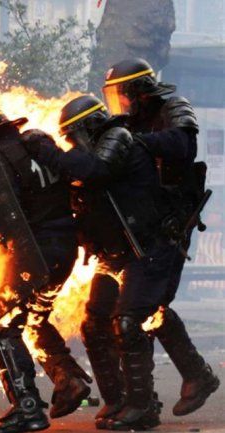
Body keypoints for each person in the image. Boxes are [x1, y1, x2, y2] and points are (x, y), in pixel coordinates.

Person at [25, 95, 175, 430]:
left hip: (143, 249)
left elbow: (95, 172)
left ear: (89, 125)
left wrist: (47, 152)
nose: (72, 144)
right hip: (114, 254)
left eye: (73, 136)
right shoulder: (93, 151)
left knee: (127, 323)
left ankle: (142, 407)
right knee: (93, 324)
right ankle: (118, 400)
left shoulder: (117, 138)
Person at [102, 58, 220, 416]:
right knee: (148, 308)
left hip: (170, 225)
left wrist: (138, 142)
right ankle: (197, 374)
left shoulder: (174, 108)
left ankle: (150, 400)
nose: (120, 103)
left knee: (138, 312)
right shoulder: (129, 124)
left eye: (123, 95)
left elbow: (182, 146)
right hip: (142, 227)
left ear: (139, 91)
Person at [0, 103, 90, 433]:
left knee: (1, 326)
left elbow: (5, 210)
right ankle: (70, 379)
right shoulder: (38, 142)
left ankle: (28, 408)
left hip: (35, 251)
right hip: (65, 247)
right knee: (33, 318)